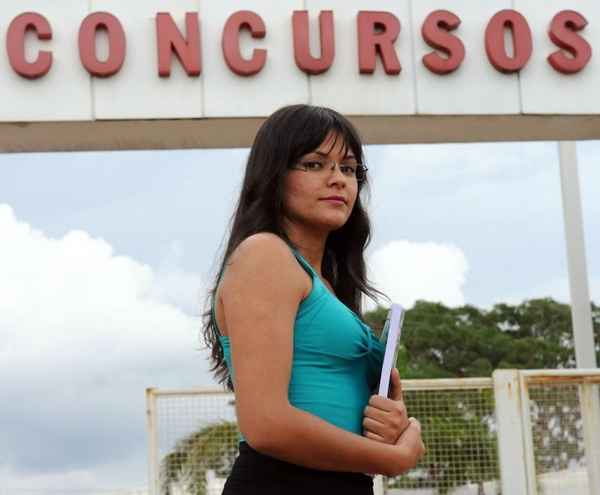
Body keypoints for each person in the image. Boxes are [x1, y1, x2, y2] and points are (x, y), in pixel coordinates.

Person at [201, 104, 425, 494]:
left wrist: (395, 422)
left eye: (349, 169)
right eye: (314, 164)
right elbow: (266, 424)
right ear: (274, 175)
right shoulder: (265, 255)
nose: (338, 179)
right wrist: (393, 458)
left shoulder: (327, 282)